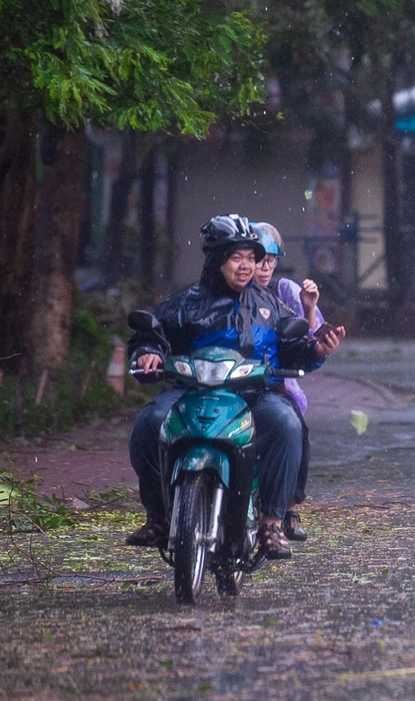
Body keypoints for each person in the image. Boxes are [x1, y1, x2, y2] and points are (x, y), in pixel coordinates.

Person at [124, 214, 322, 560]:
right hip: (190, 392)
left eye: (252, 258)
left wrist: (316, 350)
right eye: (237, 258)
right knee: (148, 424)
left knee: (287, 424)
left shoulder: (267, 305)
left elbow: (292, 348)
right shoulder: (184, 303)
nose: (246, 266)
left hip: (252, 396)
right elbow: (151, 334)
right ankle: (158, 516)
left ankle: (273, 522)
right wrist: (148, 354)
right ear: (216, 260)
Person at [251, 222, 345, 541]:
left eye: (271, 260)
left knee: (293, 430)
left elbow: (308, 344)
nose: (263, 268)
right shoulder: (226, 295)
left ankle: (286, 509)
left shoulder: (284, 292)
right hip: (232, 383)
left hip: (278, 382)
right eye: (257, 258)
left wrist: (309, 310)